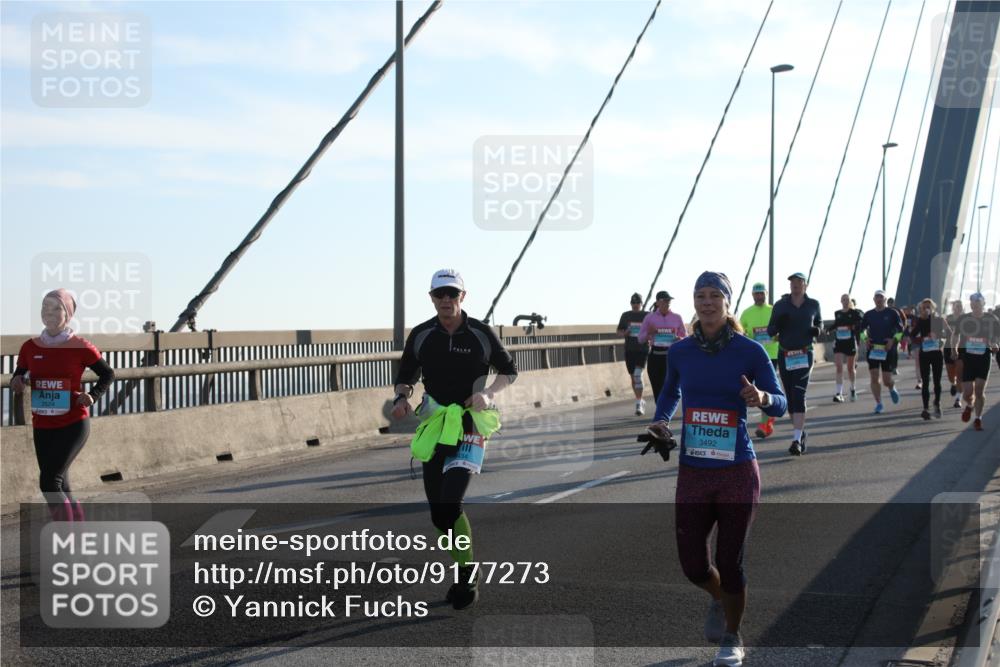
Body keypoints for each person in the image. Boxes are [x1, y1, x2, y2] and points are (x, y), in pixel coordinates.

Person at [647, 271, 786, 667]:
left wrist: (760, 397)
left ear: (727, 301)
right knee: (692, 563)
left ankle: (732, 634)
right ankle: (717, 596)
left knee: (730, 559)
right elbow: (671, 390)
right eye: (700, 296)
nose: (706, 303)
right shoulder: (680, 351)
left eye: (714, 296)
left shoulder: (750, 351)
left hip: (737, 468)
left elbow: (778, 401)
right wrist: (661, 421)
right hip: (693, 468)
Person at [390, 269, 518, 609]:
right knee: (438, 515)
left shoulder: (479, 332)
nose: (445, 300)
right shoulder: (421, 335)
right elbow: (405, 376)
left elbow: (509, 370)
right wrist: (401, 398)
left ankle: (466, 576)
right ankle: (464, 566)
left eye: (452, 294)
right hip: (435, 422)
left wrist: (489, 394)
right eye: (439, 294)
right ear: (431, 298)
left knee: (451, 502)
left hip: (470, 423)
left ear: (463, 296)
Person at [10, 289, 115, 522]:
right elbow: (18, 376)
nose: (49, 312)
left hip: (73, 423)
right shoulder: (30, 347)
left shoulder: (79, 345)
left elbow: (107, 374)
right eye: (45, 307)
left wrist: (93, 395)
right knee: (61, 484)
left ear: (67, 314)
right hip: (43, 424)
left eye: (56, 307)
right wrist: (17, 382)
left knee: (49, 482)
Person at [767, 272, 822, 456]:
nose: (795, 285)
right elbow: (770, 330)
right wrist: (777, 326)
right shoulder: (781, 305)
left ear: (805, 285)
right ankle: (800, 432)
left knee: (799, 393)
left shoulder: (813, 304)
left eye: (799, 282)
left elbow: (820, 323)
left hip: (805, 353)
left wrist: (818, 330)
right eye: (792, 282)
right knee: (790, 398)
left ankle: (796, 440)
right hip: (786, 354)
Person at [953, 292, 1000, 430]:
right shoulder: (963, 319)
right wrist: (953, 348)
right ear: (971, 305)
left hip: (983, 358)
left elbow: (997, 336)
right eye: (973, 303)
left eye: (978, 303)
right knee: (968, 393)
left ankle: (978, 418)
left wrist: (996, 344)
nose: (975, 306)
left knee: (979, 391)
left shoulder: (991, 319)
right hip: (968, 359)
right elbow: (955, 335)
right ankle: (970, 405)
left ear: (983, 304)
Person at [739, 282, 779, 438]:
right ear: (752, 295)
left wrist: (778, 336)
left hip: (773, 354)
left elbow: (781, 328)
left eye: (761, 293)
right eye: (756, 294)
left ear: (766, 294)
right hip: (754, 355)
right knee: (752, 389)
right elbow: (740, 332)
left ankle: (766, 424)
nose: (759, 296)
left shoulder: (773, 310)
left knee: (766, 388)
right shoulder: (747, 313)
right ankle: (765, 422)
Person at [638, 290, 687, 403]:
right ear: (657, 303)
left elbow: (685, 337)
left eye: (669, 300)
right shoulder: (649, 318)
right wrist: (648, 333)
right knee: (657, 388)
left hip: (671, 356)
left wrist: (680, 339)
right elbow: (640, 339)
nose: (668, 302)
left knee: (670, 387)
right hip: (655, 356)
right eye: (665, 300)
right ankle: (660, 415)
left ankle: (665, 414)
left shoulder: (677, 317)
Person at [860, 290, 904, 415]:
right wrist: (865, 339)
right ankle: (879, 403)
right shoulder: (868, 314)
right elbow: (861, 331)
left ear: (885, 300)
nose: (879, 299)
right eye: (877, 297)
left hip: (887, 349)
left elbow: (901, 330)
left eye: (881, 297)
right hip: (873, 349)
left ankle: (891, 387)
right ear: (873, 299)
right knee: (874, 377)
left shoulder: (892, 313)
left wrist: (893, 341)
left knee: (886, 380)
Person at [910, 298, 951, 420]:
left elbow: (949, 333)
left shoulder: (939, 320)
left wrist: (941, 340)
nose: (926, 309)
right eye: (924, 307)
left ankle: (937, 403)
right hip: (925, 354)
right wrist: (921, 340)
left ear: (933, 308)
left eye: (929, 307)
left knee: (937, 382)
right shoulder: (920, 321)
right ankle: (925, 408)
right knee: (926, 382)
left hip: (937, 353)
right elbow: (912, 335)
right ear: (921, 310)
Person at [824, 293, 864, 402]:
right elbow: (836, 324)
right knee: (839, 367)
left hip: (850, 342)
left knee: (850, 369)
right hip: (839, 343)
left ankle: (852, 388)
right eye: (843, 300)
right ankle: (839, 393)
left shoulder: (854, 313)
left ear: (850, 301)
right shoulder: (837, 313)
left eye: (847, 300)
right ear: (841, 301)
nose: (845, 301)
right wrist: (828, 330)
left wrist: (855, 326)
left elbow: (862, 320)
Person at [617, 292, 650, 415]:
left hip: (642, 349)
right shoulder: (626, 315)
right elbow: (618, 332)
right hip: (629, 349)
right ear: (631, 304)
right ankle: (639, 400)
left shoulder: (647, 315)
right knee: (633, 377)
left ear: (641, 304)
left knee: (637, 375)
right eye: (633, 303)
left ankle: (638, 405)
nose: (635, 305)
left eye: (638, 303)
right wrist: (625, 333)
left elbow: (654, 329)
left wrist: (648, 335)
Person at [945, 300, 965, 407]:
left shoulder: (966, 319)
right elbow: (942, 331)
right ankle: (953, 383)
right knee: (950, 374)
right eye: (957, 306)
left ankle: (958, 399)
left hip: (962, 348)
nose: (958, 308)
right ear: (953, 308)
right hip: (948, 346)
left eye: (960, 306)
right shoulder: (948, 318)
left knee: (960, 373)